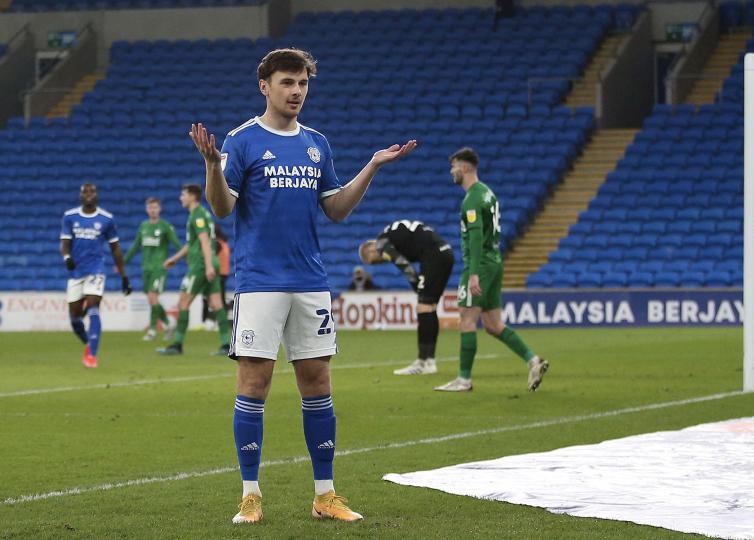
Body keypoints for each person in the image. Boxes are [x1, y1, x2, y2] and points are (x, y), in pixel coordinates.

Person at [190, 47, 416, 525]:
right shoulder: (242, 140)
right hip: (259, 284)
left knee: (317, 383)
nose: (296, 92)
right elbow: (222, 208)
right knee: (255, 383)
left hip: (310, 281)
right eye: (288, 83)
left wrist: (372, 166)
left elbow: (335, 209)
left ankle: (325, 494)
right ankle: (250, 494)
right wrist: (212, 166)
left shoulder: (317, 143)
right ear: (265, 86)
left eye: (303, 84)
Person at [435, 147, 549, 392]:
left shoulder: (473, 198)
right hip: (494, 262)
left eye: (454, 166)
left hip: (480, 265)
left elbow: (475, 237)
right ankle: (533, 360)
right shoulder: (488, 194)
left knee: (466, 320)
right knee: (494, 325)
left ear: (465, 167)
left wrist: (473, 273)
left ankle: (463, 379)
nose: (452, 171)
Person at [359, 219, 454, 375]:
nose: (380, 262)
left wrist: (417, 287)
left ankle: (422, 362)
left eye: (375, 261)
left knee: (423, 306)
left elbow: (403, 264)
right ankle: (429, 361)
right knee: (429, 307)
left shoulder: (382, 244)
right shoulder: (391, 234)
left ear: (371, 250)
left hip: (433, 256)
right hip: (446, 253)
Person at [60, 183, 132, 368]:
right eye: (86, 192)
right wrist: (67, 257)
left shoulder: (106, 219)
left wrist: (124, 277)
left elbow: (115, 249)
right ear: (80, 195)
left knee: (93, 306)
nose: (89, 194)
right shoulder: (70, 217)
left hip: (96, 270)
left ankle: (92, 355)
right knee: (75, 319)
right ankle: (89, 343)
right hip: (76, 273)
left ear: (97, 195)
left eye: (92, 191)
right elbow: (65, 243)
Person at [155, 185, 231, 356]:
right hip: (208, 263)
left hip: (201, 265)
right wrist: (175, 259)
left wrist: (208, 266)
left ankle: (177, 344)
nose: (181, 198)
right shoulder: (202, 214)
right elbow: (193, 244)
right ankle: (227, 344)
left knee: (183, 302)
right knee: (217, 304)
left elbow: (204, 241)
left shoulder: (197, 216)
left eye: (183, 195)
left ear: (192, 196)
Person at [124, 197, 181, 341]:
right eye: (150, 207)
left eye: (155, 207)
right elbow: (136, 246)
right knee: (151, 299)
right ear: (146, 209)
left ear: (159, 209)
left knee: (153, 296)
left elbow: (177, 244)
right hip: (146, 268)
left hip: (159, 268)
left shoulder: (165, 226)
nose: (153, 210)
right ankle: (169, 324)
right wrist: (123, 262)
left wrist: (183, 258)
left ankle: (153, 330)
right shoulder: (143, 226)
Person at [203, 229, 232, 328]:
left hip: (219, 273)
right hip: (225, 273)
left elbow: (211, 257)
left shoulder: (217, 244)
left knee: (216, 300)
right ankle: (221, 320)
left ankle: (218, 322)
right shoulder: (224, 244)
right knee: (219, 299)